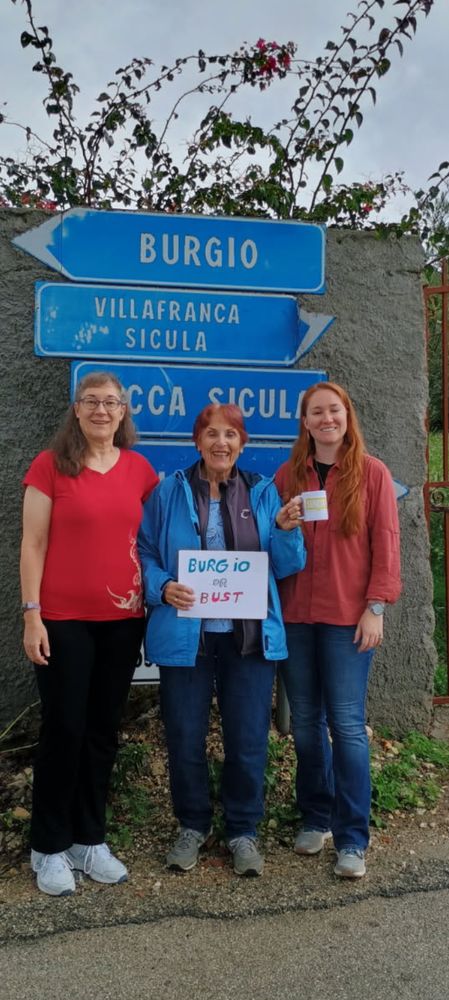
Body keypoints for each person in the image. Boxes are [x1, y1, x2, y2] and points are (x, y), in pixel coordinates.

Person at [138, 402, 306, 877]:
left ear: (242, 443)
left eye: (230, 435)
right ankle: (192, 825)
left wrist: (286, 532)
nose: (220, 443)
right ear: (197, 442)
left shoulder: (263, 491)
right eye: (211, 434)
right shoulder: (168, 491)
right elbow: (145, 549)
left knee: (249, 739)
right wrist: (161, 585)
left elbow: (288, 563)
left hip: (247, 639)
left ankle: (242, 830)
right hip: (185, 639)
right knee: (185, 737)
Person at [20, 371, 158, 896]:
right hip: (62, 621)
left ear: (124, 413)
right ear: (76, 411)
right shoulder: (50, 466)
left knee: (102, 732)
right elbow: (32, 544)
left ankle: (88, 838)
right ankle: (49, 846)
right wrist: (32, 614)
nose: (102, 410)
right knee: (64, 730)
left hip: (123, 620)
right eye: (91, 401)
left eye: (111, 402)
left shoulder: (140, 470)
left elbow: (161, 531)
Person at [275, 381, 401, 879]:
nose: (326, 419)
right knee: (305, 723)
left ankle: (352, 838)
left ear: (347, 416)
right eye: (316, 413)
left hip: (349, 618)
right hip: (298, 617)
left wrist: (377, 607)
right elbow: (272, 543)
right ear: (304, 422)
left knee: (346, 726)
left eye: (334, 410)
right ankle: (316, 816)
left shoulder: (372, 474)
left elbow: (387, 545)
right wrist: (282, 524)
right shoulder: (289, 474)